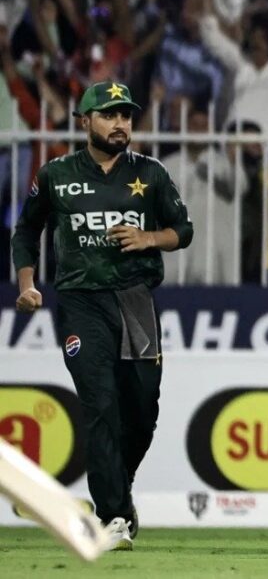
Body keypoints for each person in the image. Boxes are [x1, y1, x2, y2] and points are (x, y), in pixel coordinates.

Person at [11, 81, 194, 551]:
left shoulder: (150, 174)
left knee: (143, 408)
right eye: (110, 115)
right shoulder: (56, 174)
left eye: (126, 116)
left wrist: (150, 239)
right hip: (80, 300)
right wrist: (28, 284)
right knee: (101, 403)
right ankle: (111, 515)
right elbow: (27, 229)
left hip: (135, 299)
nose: (120, 124)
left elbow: (184, 229)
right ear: (85, 121)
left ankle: (119, 490)